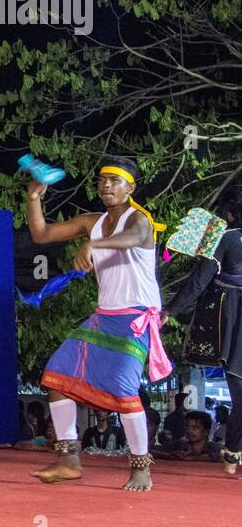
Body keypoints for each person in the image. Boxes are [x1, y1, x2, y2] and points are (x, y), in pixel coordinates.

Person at [26, 155, 167, 491]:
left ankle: (141, 468)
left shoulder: (140, 220)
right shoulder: (93, 220)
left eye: (114, 180)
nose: (106, 185)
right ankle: (69, 459)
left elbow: (131, 239)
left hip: (135, 318)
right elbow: (42, 235)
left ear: (130, 187)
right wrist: (34, 199)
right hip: (104, 317)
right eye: (102, 179)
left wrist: (93, 243)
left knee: (124, 391)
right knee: (57, 377)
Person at [165, 186, 242, 473]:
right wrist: (171, 310)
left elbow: (197, 281)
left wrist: (171, 310)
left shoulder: (225, 237)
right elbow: (199, 281)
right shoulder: (227, 239)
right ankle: (233, 449)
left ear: (230, 214)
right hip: (235, 323)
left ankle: (233, 449)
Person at [152, 410, 222, 462]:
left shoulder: (216, 449)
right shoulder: (178, 446)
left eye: (196, 428)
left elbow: (225, 458)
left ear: (206, 431)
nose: (190, 431)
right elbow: (153, 451)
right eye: (188, 427)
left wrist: (193, 458)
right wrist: (169, 455)